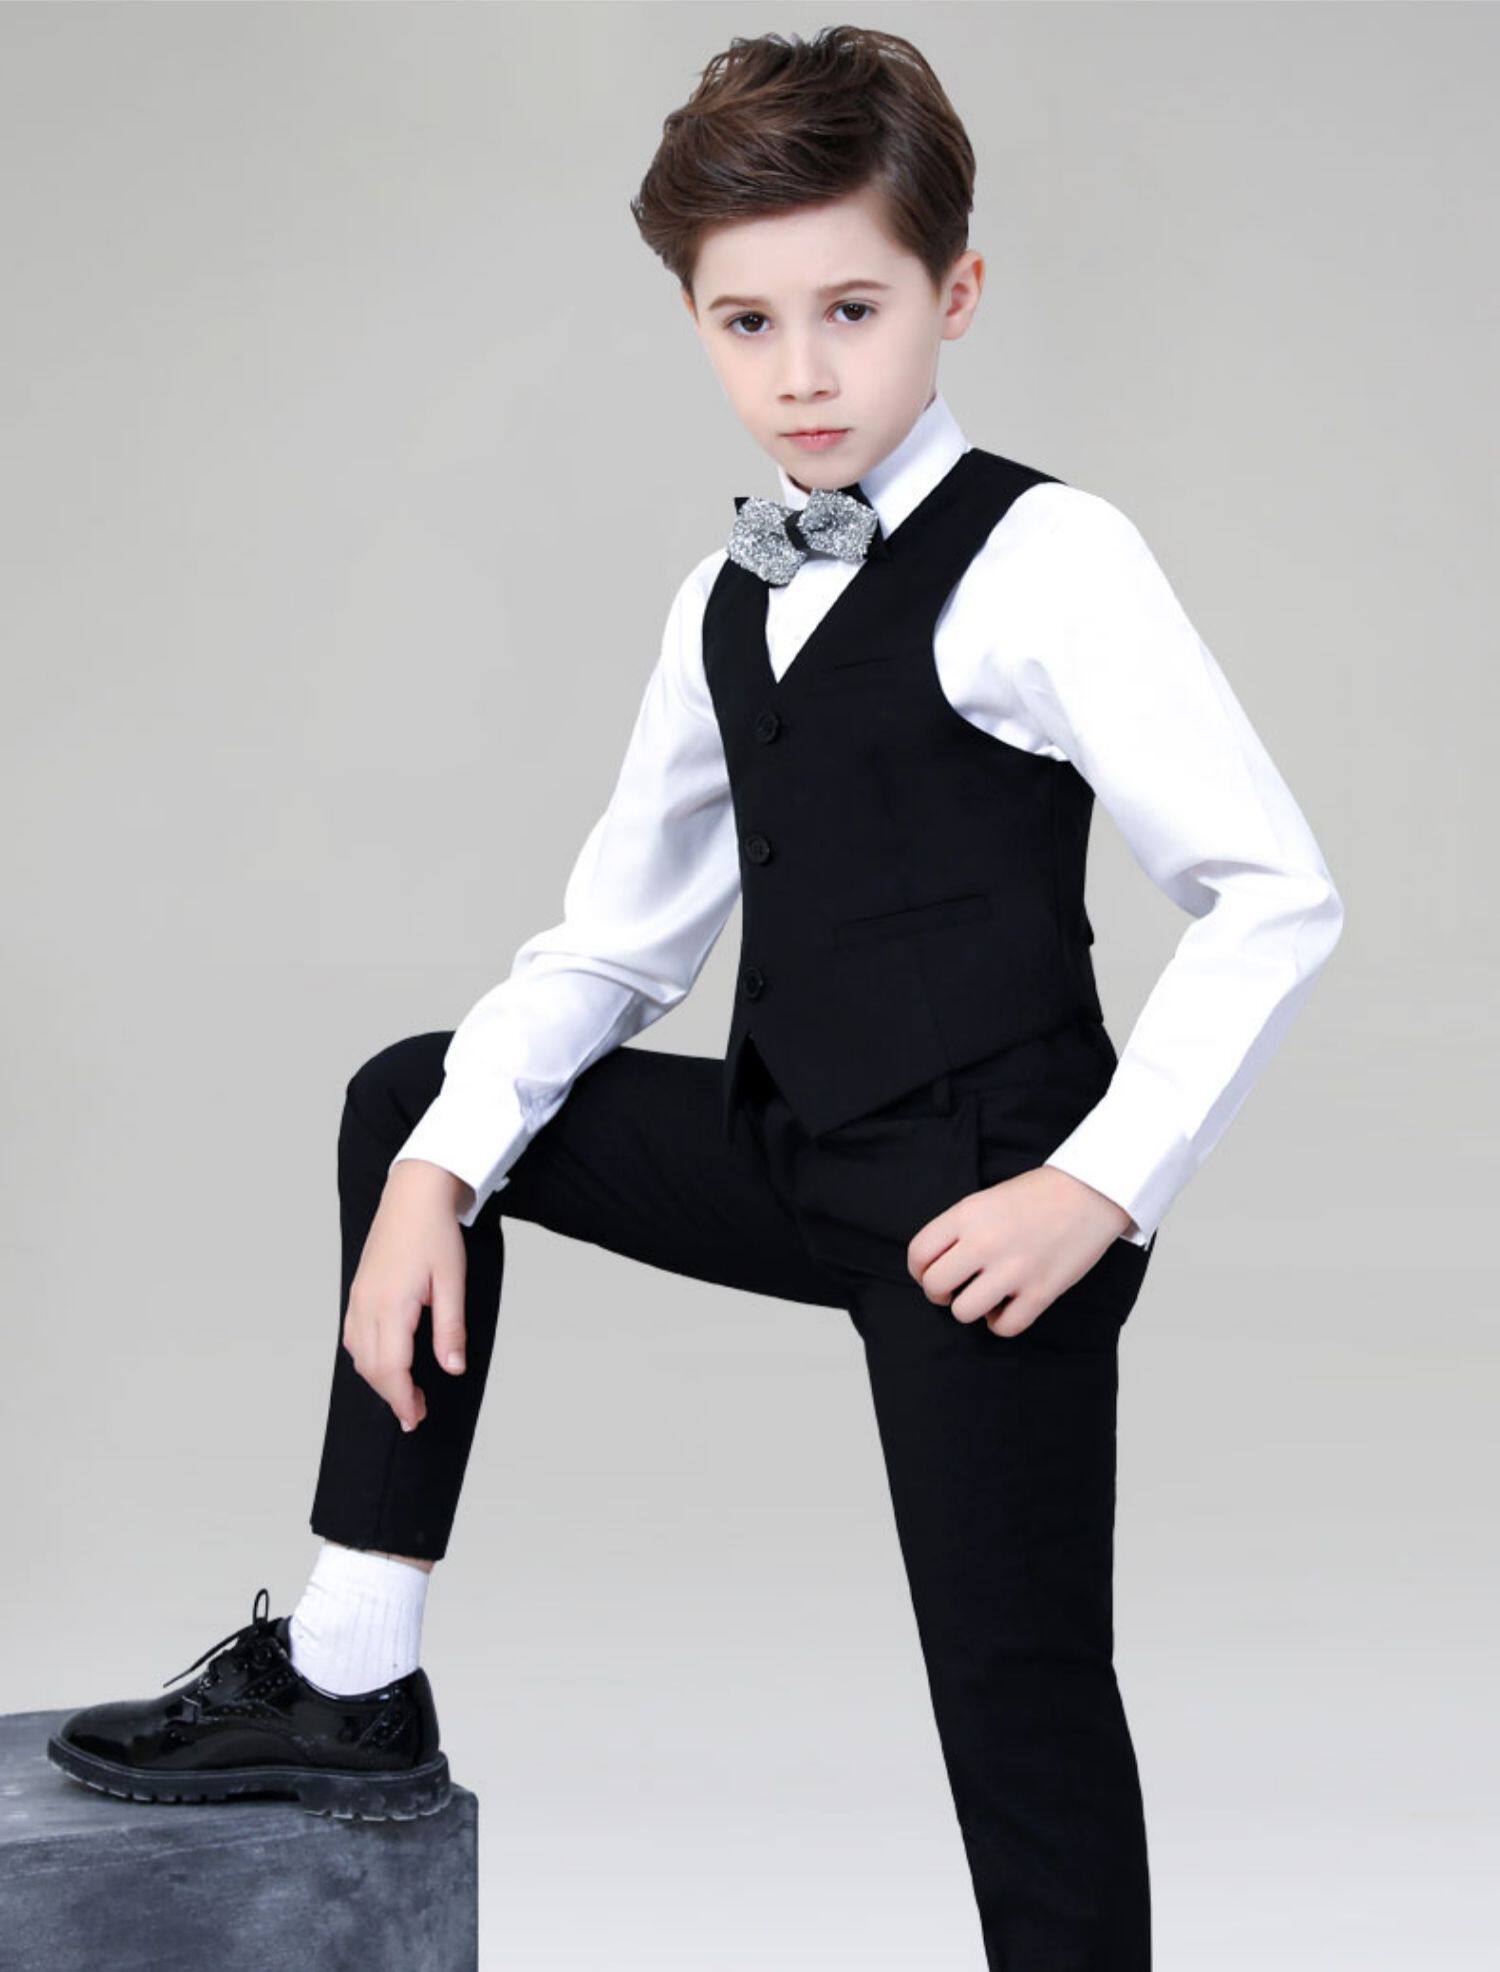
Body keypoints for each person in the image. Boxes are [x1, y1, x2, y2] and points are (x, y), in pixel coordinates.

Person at [48, 24, 1344, 1965]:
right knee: (414, 1097)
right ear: (695, 324)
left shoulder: (1050, 557)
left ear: (955, 295)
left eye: (851, 310)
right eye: (748, 324)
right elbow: (618, 939)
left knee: (1019, 1702)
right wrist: (434, 1176)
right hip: (786, 1151)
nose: (802, 373)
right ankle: (350, 1667)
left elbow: (1274, 893)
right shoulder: (721, 600)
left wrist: (1100, 1185)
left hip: (981, 1213)